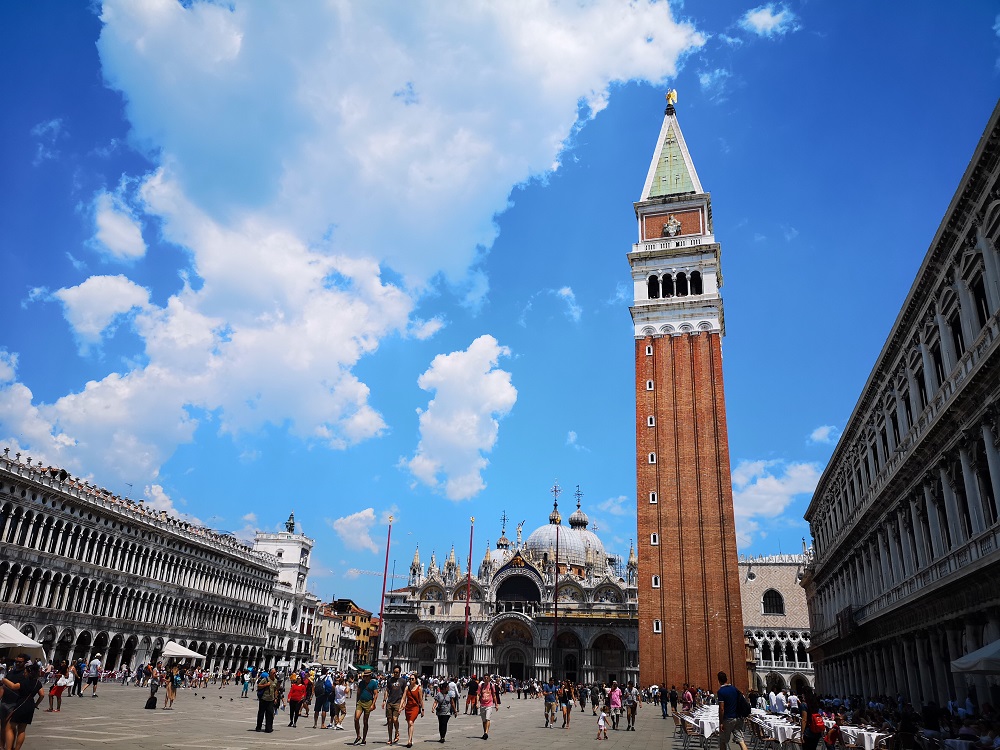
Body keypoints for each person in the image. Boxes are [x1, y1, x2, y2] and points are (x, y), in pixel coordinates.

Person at [1, 661, 44, 750]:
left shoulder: (25, 681)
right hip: (30, 705)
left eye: (25, 672)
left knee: (9, 727)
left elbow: (13, 686)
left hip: (21, 703)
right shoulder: (38, 683)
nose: (24, 674)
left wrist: (4, 680)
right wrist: (36, 704)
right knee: (22, 730)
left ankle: (8, 748)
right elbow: (42, 695)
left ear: (29, 672)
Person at [717, 671, 749, 750]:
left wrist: (721, 722)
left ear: (719, 680)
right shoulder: (734, 689)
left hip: (728, 718)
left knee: (723, 741)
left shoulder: (721, 691)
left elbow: (721, 708)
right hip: (738, 718)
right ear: (726, 679)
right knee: (741, 740)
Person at [353, 669, 379, 745]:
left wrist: (373, 704)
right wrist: (357, 702)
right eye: (365, 676)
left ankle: (364, 739)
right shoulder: (361, 683)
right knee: (356, 718)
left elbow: (376, 694)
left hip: (368, 702)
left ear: (370, 676)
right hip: (361, 702)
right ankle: (358, 736)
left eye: (367, 676)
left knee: (365, 721)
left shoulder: (373, 683)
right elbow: (358, 692)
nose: (366, 677)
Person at [383, 666, 404, 745]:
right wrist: (384, 700)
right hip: (390, 702)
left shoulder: (403, 681)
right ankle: (390, 738)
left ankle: (397, 731)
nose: (395, 674)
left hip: (398, 702)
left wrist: (403, 703)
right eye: (394, 672)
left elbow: (405, 693)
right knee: (389, 721)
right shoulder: (390, 680)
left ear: (399, 672)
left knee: (395, 719)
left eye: (397, 672)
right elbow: (387, 690)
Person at [402, 672, 424, 748]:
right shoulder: (407, 688)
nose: (411, 680)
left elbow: (421, 700)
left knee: (411, 722)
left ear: (415, 680)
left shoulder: (419, 688)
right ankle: (410, 739)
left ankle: (409, 740)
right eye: (410, 679)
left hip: (415, 707)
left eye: (412, 679)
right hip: (408, 708)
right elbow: (403, 698)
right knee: (409, 724)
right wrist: (401, 706)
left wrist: (423, 709)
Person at [800, 685, 824, 750]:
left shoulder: (804, 704)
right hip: (816, 729)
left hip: (808, 731)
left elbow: (804, 719)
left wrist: (802, 733)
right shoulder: (815, 703)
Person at [478, 674, 500, 740]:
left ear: (489, 679)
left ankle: (486, 733)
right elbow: (478, 694)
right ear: (483, 679)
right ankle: (485, 732)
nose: (486, 679)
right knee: (484, 720)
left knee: (488, 719)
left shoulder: (491, 685)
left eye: (487, 678)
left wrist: (496, 704)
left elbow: (494, 695)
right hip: (482, 704)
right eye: (485, 678)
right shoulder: (480, 685)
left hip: (489, 704)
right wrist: (477, 703)